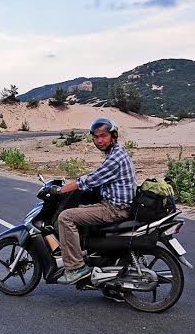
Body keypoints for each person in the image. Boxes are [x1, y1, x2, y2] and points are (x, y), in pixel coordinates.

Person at [48, 117, 137, 286]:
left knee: (66, 217)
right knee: (81, 209)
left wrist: (60, 190)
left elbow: (89, 179)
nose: (99, 140)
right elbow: (99, 176)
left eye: (103, 136)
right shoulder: (116, 152)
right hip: (115, 204)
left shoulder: (115, 158)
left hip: (114, 209)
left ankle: (75, 268)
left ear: (113, 136)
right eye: (96, 137)